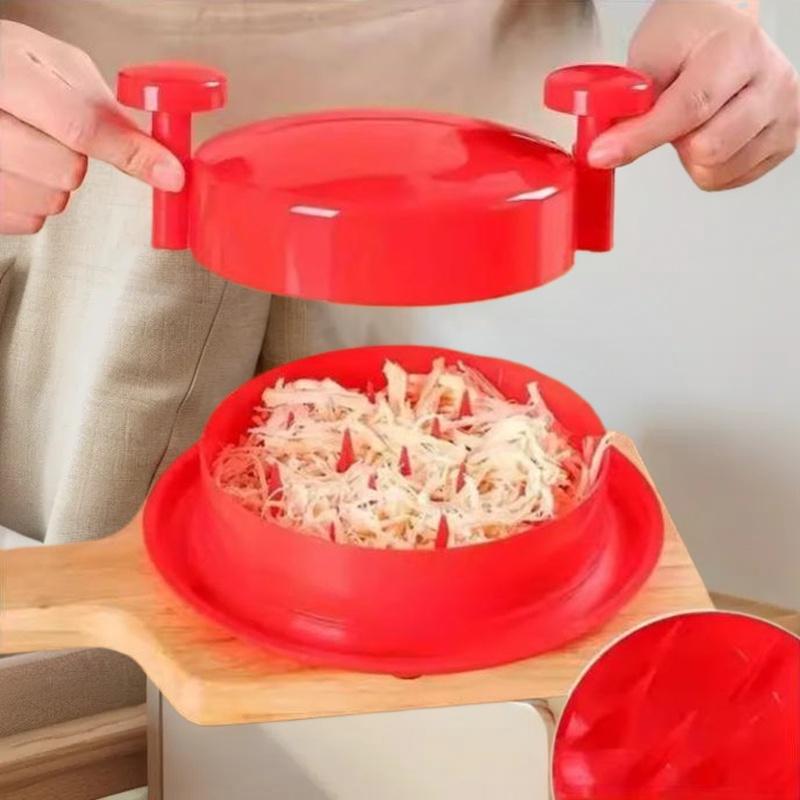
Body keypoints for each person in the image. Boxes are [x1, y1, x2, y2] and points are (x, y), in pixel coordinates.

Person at [0, 0, 797, 546]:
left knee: (483, 528)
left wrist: (722, 6)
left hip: (489, 178)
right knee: (111, 562)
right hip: (97, 151)